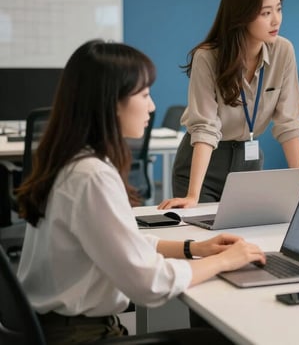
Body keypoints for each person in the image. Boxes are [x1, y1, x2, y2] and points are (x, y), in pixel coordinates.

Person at [16, 40, 266, 344]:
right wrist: (224, 261)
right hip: (80, 336)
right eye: (144, 95)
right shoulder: (91, 176)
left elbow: (121, 242)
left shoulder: (73, 161)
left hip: (58, 328)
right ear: (112, 102)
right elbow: (149, 283)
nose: (152, 106)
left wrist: (195, 248)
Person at [159, 0, 299, 209]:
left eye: (279, 9)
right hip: (203, 164)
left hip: (248, 162)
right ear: (241, 16)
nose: (276, 20)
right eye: (266, 13)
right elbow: (205, 127)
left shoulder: (283, 50)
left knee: (247, 231)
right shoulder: (207, 57)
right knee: (202, 231)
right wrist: (193, 195)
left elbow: (288, 123)